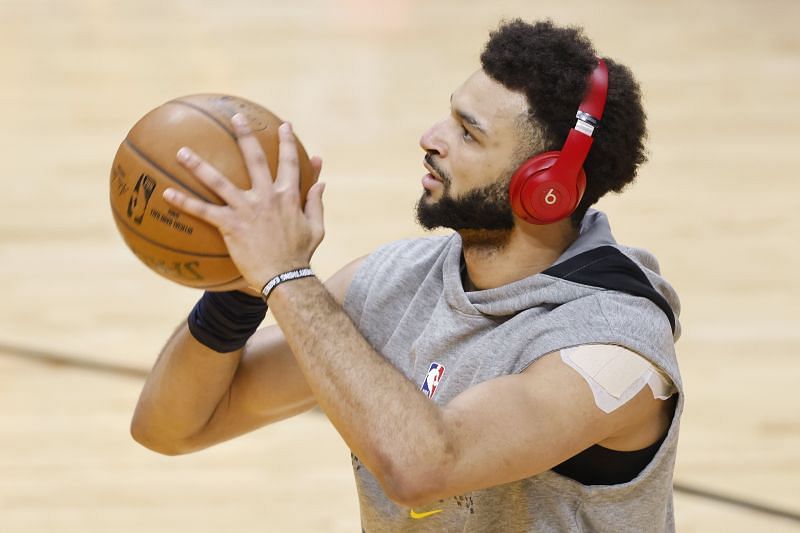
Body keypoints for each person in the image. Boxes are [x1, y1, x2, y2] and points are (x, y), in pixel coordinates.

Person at [131, 19, 683, 532]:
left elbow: (425, 467)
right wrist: (240, 289)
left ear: (548, 186)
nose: (431, 137)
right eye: (450, 115)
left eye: (469, 133)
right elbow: (173, 427)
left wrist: (286, 276)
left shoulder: (615, 344)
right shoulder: (395, 280)